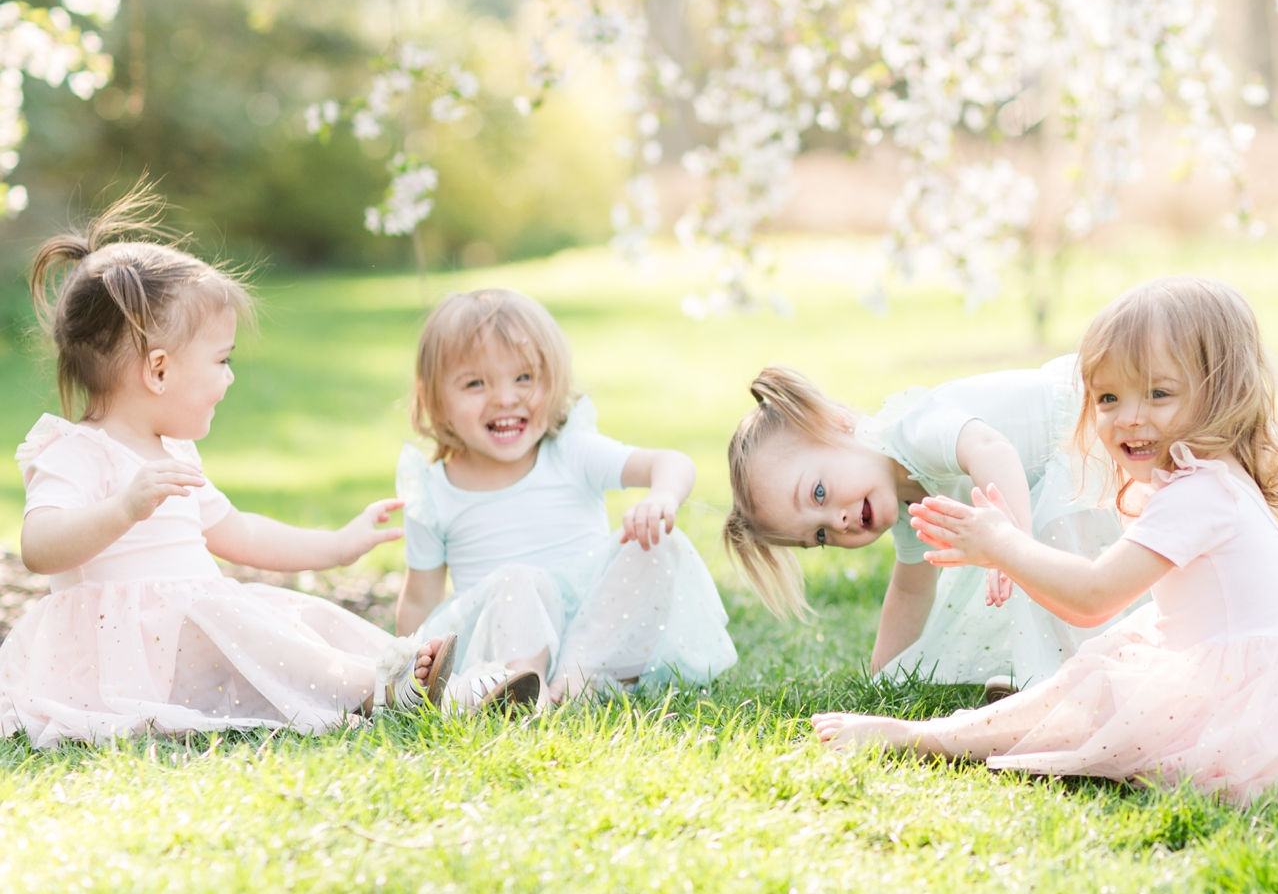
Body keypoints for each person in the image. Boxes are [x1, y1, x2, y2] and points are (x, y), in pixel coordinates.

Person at [810, 276, 1278, 806]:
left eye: (1158, 394)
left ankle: (921, 739)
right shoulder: (1220, 479)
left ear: (1222, 392)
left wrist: (1001, 542)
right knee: (1108, 665)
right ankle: (944, 732)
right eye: (1109, 399)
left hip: (1249, 714)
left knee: (1099, 687)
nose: (1127, 418)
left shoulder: (1199, 493)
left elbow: (1090, 597)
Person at [0, 190, 454, 748]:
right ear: (159, 371)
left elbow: (239, 531)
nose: (230, 378)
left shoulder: (175, 456)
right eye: (221, 360)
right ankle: (378, 688)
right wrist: (122, 509)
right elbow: (40, 546)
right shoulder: (75, 452)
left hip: (191, 640)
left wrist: (336, 544)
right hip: (118, 661)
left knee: (290, 615)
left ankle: (402, 671)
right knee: (242, 619)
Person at [395, 289, 737, 709]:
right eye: (475, 383)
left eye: (524, 378)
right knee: (519, 579)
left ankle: (579, 680)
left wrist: (662, 496)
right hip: (497, 644)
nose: (505, 398)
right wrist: (403, 673)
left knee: (657, 542)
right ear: (436, 398)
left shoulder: (571, 453)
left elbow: (671, 462)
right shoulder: (433, 491)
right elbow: (419, 599)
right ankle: (523, 689)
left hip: (593, 635)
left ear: (553, 380)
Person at [722, 354, 1127, 695]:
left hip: (1090, 437)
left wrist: (1013, 544)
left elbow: (991, 450)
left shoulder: (912, 430)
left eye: (819, 494)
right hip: (1043, 486)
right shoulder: (905, 503)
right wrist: (880, 681)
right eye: (820, 536)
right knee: (1011, 563)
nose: (838, 521)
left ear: (835, 422)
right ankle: (1049, 678)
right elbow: (909, 592)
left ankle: (1051, 679)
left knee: (1034, 554)